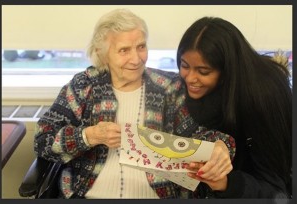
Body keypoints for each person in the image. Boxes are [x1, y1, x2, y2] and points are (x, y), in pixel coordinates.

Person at [34, 9, 235, 199]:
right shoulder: (83, 87)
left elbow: (200, 134)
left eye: (141, 46)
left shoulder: (169, 88)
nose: (136, 59)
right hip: (88, 194)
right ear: (102, 53)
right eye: (124, 50)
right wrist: (89, 135)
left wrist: (220, 146)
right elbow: (43, 139)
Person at [177, 17, 292, 198]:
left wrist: (226, 183)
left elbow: (275, 188)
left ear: (227, 70)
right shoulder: (182, 90)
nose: (190, 78)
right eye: (184, 66)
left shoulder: (263, 96)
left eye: (203, 71)